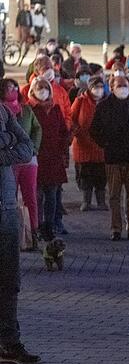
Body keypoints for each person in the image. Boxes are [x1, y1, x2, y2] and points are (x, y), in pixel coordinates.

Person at [90, 74, 129, 242]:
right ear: (111, 88)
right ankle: (116, 228)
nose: (122, 88)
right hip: (113, 156)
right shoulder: (104, 106)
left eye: (125, 85)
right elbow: (94, 129)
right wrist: (105, 143)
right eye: (118, 85)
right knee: (114, 195)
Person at [0, 98, 37, 364]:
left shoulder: (2, 110)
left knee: (10, 280)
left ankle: (9, 342)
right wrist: (7, 140)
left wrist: (3, 149)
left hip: (7, 209)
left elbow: (27, 147)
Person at [1, 79, 40, 250]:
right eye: (9, 88)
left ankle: (31, 235)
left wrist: (7, 146)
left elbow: (26, 147)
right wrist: (9, 139)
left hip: (5, 200)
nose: (14, 90)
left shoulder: (5, 112)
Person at [29, 80, 69, 242]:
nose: (43, 91)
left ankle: (49, 225)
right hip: (36, 157)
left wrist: (63, 146)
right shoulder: (30, 109)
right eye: (39, 89)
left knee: (52, 195)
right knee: (37, 194)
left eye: (46, 89)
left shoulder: (56, 109)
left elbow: (63, 131)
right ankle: (36, 226)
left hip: (53, 158)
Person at [71, 76, 107, 213]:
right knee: (86, 175)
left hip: (101, 147)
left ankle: (101, 202)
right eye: (95, 87)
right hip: (83, 146)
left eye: (101, 87)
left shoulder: (106, 102)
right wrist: (78, 133)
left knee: (101, 176)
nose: (99, 90)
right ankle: (86, 201)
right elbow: (72, 119)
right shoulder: (80, 101)